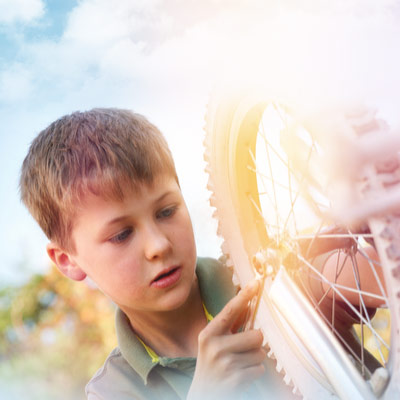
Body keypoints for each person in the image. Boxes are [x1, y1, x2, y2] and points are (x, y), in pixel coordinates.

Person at [19, 108, 382, 399]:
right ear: (68, 260)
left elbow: (372, 274)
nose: (158, 245)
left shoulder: (264, 272)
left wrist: (381, 224)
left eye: (166, 211)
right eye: (121, 234)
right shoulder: (112, 391)